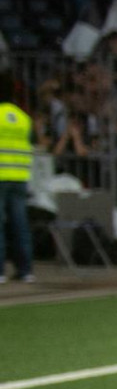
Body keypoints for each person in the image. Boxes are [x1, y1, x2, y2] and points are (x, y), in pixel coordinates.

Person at [0, 94, 33, 283]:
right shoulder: (24, 118)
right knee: (21, 224)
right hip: (20, 177)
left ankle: (0, 271)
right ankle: (26, 270)